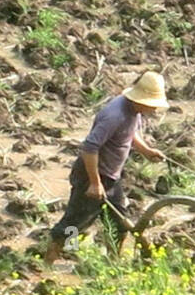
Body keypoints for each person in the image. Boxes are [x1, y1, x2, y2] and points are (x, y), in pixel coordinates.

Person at [40, 70, 169, 262]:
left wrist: (146, 151)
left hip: (111, 177)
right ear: (139, 99)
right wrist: (95, 183)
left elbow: (129, 134)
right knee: (76, 222)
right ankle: (49, 259)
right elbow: (89, 147)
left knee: (119, 223)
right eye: (151, 105)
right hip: (90, 176)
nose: (153, 110)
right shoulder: (114, 115)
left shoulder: (134, 111)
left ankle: (112, 262)